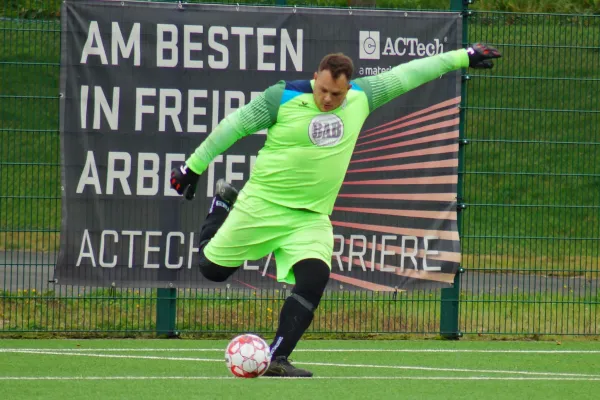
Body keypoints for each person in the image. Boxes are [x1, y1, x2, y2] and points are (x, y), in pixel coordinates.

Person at [170, 43, 501, 377]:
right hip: (262, 205)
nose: (328, 99)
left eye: (337, 95)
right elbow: (233, 126)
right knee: (212, 270)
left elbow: (409, 74)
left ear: (349, 88)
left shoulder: (363, 97)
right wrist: (192, 168)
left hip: (310, 218)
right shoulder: (281, 97)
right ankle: (222, 205)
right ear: (315, 77)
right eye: (323, 90)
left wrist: (465, 56)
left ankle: (277, 358)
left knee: (314, 278)